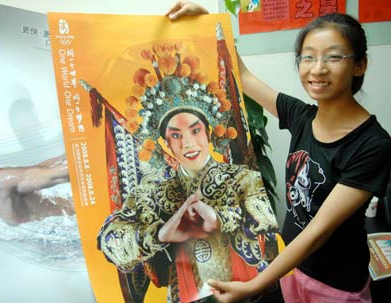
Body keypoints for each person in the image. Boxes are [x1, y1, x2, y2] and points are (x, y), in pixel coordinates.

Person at [167, 1, 391, 303]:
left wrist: (255, 285)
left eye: (334, 57)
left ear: (359, 65)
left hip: (336, 285)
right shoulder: (301, 115)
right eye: (308, 57)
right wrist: (210, 24)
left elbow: (319, 231)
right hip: (292, 270)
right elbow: (242, 77)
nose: (318, 68)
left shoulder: (372, 144)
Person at [95, 41, 281, 303]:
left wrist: (219, 219)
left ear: (209, 132)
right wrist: (161, 233)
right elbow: (109, 239)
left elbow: (266, 222)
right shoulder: (154, 189)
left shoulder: (241, 178)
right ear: (166, 143)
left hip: (246, 294)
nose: (188, 144)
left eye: (195, 130)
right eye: (176, 135)